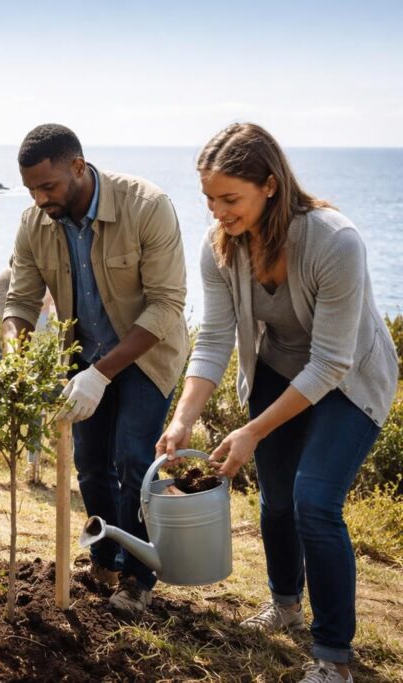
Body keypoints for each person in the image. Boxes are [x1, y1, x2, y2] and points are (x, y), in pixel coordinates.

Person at [157, 123, 397, 683]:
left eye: (230, 199)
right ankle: (286, 606)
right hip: (279, 368)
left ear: (270, 185)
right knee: (277, 501)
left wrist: (253, 431)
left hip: (349, 377)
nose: (217, 211)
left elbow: (332, 361)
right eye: (210, 199)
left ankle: (333, 657)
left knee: (315, 502)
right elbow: (215, 339)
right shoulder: (219, 247)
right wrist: (183, 417)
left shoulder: (336, 241)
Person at [2, 124, 189, 613]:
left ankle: (137, 578)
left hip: (146, 355)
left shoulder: (147, 206)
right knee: (90, 465)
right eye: (31, 190)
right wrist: (11, 353)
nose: (41, 199)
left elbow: (167, 304)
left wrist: (102, 373)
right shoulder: (34, 223)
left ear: (78, 168)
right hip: (83, 358)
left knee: (133, 460)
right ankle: (105, 558)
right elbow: (20, 300)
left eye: (49, 186)